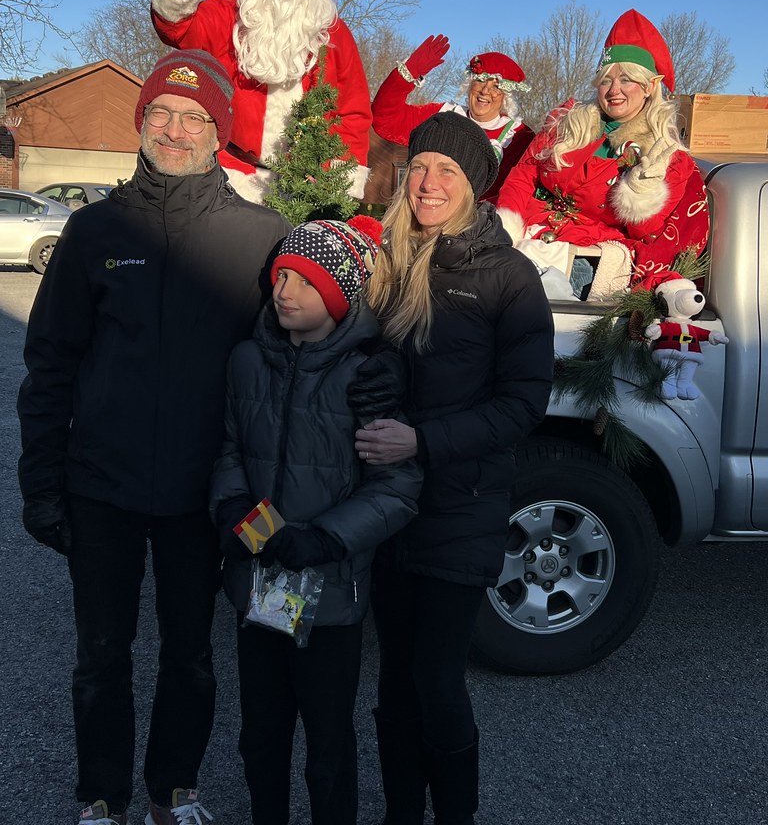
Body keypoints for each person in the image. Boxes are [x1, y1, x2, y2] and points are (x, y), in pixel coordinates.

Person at [17, 49, 292, 825]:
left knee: (191, 654)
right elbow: (50, 363)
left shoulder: (258, 237)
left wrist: (272, 496)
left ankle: (176, 784)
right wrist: (41, 483)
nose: (175, 130)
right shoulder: (95, 229)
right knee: (101, 655)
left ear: (219, 133)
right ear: (142, 123)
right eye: (162, 115)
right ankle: (101, 796)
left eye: (195, 117)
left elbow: (288, 367)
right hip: (99, 485)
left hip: (201, 498)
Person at [353, 112, 554, 825]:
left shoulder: (508, 277)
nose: (428, 183)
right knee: (395, 683)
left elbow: (524, 403)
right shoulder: (389, 258)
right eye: (419, 167)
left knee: (437, 679)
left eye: (448, 172)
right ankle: (402, 814)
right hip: (386, 508)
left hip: (458, 507)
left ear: (475, 187)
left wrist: (422, 440)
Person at [209, 217, 422, 825]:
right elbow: (230, 450)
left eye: (304, 281)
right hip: (259, 585)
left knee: (328, 741)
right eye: (280, 277)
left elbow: (399, 486)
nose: (284, 292)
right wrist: (232, 512)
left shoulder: (365, 378)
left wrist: (326, 537)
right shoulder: (248, 361)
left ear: (337, 295)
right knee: (261, 734)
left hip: (330, 595)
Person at [151, 0, 372, 203]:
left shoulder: (333, 35)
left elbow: (351, 111)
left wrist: (341, 184)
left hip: (305, 183)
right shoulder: (232, 15)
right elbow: (181, 32)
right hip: (229, 174)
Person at [495, 9, 709, 295]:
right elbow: (524, 174)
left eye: (626, 79)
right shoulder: (567, 122)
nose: (614, 90)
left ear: (649, 87)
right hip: (524, 239)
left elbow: (648, 234)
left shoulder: (665, 155)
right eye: (607, 80)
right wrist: (506, 226)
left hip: (583, 262)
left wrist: (640, 195)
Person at [371, 37, 535, 204]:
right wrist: (409, 73)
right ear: (470, 84)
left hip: (484, 225)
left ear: (506, 96)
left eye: (496, 87)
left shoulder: (520, 138)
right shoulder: (442, 116)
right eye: (480, 81)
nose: (485, 91)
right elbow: (385, 120)